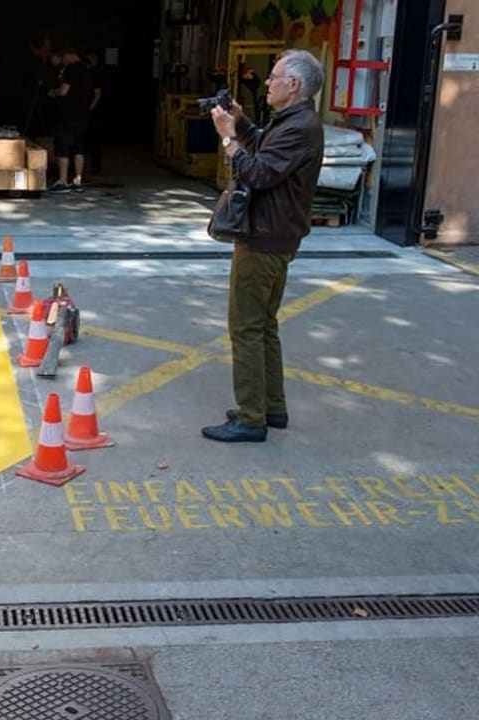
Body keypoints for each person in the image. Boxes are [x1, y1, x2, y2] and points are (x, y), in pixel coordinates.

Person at [200, 49, 325, 443]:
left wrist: (227, 138)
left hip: (264, 238)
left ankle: (251, 418)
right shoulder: (293, 121)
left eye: (273, 77)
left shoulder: (299, 126)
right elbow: (267, 151)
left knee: (246, 328)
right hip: (276, 235)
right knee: (265, 325)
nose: (266, 83)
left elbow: (258, 172)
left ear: (294, 85)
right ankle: (271, 407)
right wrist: (241, 122)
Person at [46, 44, 92, 193]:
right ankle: (77, 180)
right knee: (79, 148)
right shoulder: (86, 69)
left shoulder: (71, 69)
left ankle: (63, 181)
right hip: (83, 114)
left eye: (63, 58)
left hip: (67, 115)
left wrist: (54, 92)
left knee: (63, 147)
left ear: (69, 55)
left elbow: (64, 91)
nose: (62, 61)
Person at [85, 51, 104, 178]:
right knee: (92, 140)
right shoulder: (90, 74)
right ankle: (92, 167)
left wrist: (89, 109)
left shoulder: (94, 74)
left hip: (93, 112)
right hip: (92, 111)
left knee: (93, 139)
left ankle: (94, 167)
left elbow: (97, 94)